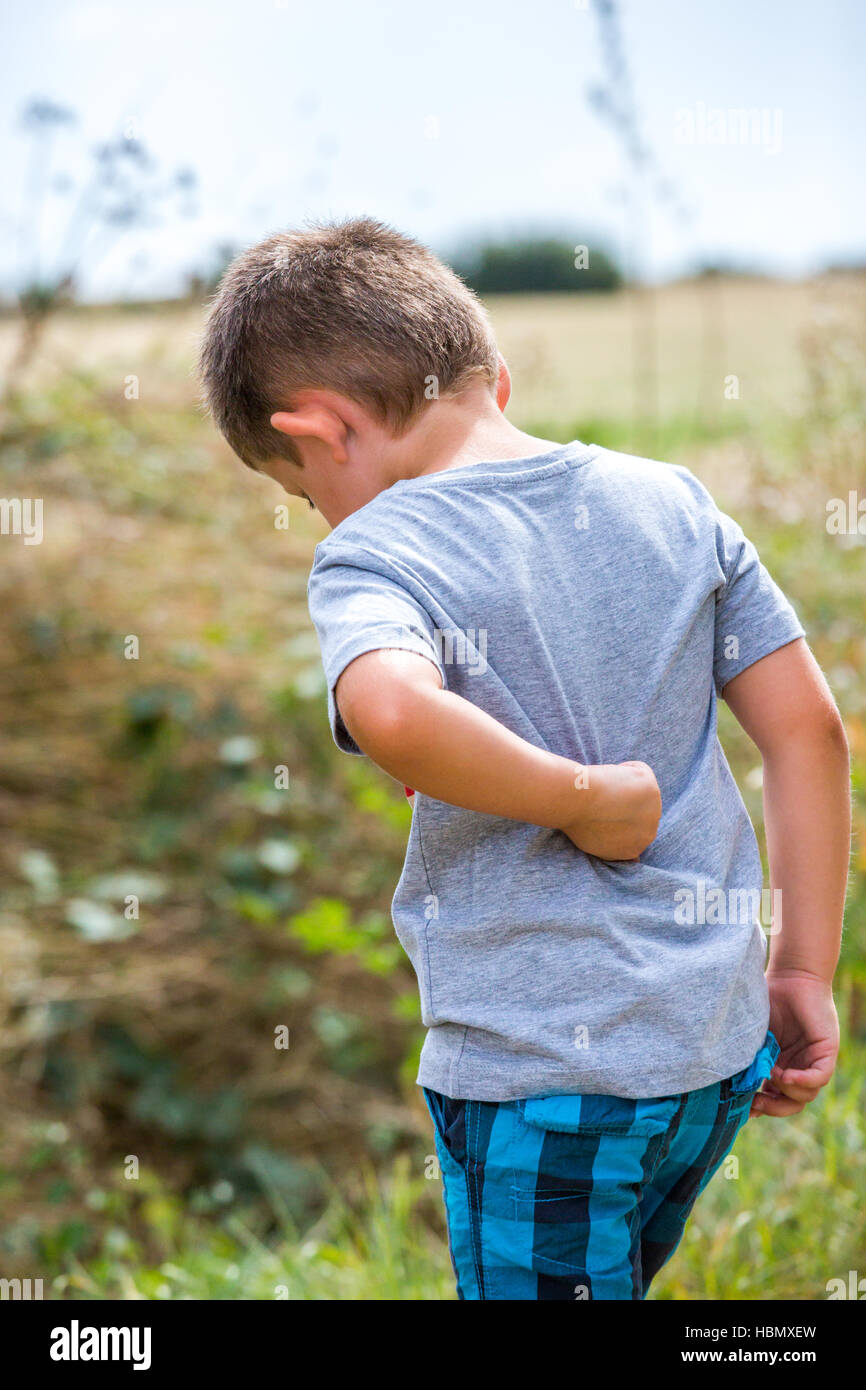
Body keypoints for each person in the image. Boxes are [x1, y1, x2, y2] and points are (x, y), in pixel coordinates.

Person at [197, 217, 850, 1300]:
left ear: (319, 430)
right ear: (491, 379)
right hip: (709, 1054)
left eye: (302, 491)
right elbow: (806, 733)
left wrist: (580, 797)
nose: (319, 515)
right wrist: (801, 968)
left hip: (540, 1078)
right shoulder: (671, 503)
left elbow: (394, 712)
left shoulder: (373, 551)